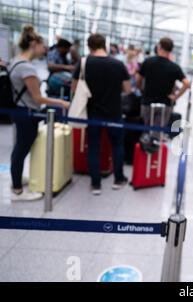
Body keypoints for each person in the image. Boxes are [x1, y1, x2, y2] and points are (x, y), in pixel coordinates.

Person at [9, 25, 70, 201]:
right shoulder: (27, 68)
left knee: (19, 148)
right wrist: (60, 102)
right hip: (27, 113)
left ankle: (17, 179)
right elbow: (38, 98)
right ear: (34, 44)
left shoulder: (16, 61)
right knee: (21, 149)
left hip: (20, 110)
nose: (45, 50)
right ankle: (18, 190)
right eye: (43, 46)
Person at [72, 33, 132, 195]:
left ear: (89, 46)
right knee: (117, 145)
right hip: (114, 112)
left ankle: (95, 184)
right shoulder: (118, 64)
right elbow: (128, 89)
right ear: (105, 45)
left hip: (93, 112)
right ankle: (118, 179)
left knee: (93, 147)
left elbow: (74, 88)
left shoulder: (84, 62)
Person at [136, 37, 190, 134]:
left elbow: (138, 79)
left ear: (159, 47)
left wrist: (141, 89)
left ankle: (144, 148)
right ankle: (156, 147)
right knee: (158, 134)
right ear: (171, 50)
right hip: (165, 104)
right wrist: (175, 97)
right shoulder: (174, 67)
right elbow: (186, 83)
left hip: (148, 101)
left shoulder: (148, 62)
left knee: (144, 132)